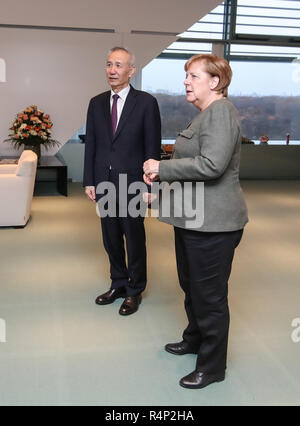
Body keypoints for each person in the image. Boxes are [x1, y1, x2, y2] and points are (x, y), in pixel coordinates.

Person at [143, 54, 248, 389]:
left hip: (214, 224)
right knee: (192, 287)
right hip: (195, 220)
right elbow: (194, 164)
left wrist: (162, 169)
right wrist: (160, 187)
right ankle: (195, 339)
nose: (186, 82)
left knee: (210, 297)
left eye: (193, 76)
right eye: (185, 76)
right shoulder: (206, 116)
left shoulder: (220, 112)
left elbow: (211, 166)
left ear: (214, 82)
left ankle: (213, 366)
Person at [83, 47, 161, 316]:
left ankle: (135, 289)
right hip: (103, 182)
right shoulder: (96, 102)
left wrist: (151, 186)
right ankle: (118, 283)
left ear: (131, 71)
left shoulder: (146, 103)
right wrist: (89, 180)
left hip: (133, 184)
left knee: (134, 238)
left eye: (118, 65)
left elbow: (152, 148)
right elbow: (91, 144)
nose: (112, 70)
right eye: (108, 64)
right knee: (110, 238)